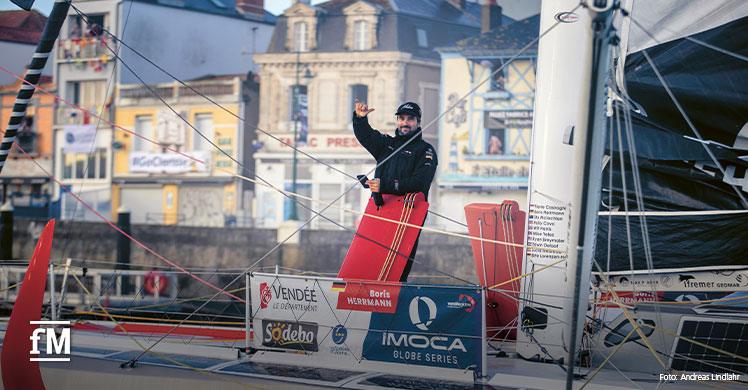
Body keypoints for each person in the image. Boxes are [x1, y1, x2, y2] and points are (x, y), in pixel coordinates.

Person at [352, 99, 438, 281]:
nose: (405, 122)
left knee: (398, 267)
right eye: (401, 118)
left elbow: (419, 183)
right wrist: (360, 119)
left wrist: (385, 186)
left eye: (410, 119)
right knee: (370, 263)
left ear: (418, 122)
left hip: (407, 214)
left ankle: (396, 296)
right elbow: (366, 136)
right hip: (380, 210)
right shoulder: (386, 145)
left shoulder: (426, 151)